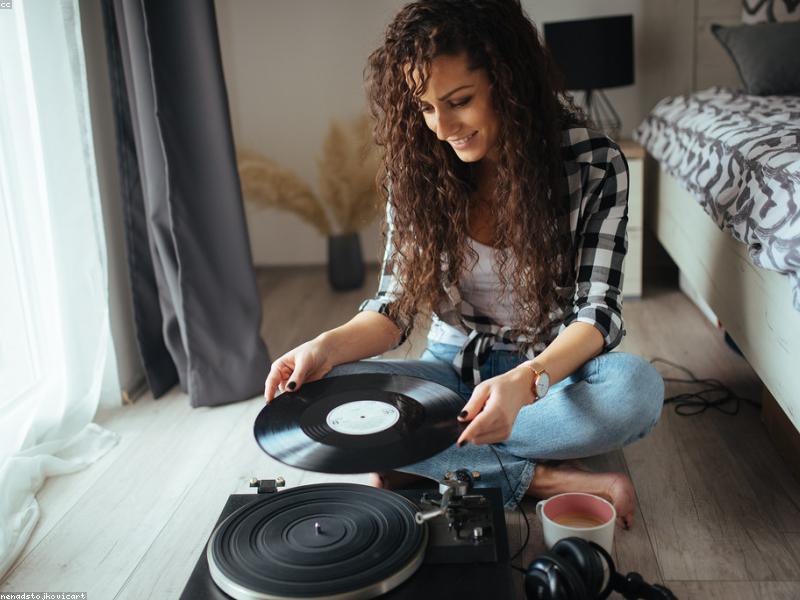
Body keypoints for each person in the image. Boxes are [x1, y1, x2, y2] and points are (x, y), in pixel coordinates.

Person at [264, 0, 664, 529]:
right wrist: (322, 347)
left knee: (635, 392)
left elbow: (598, 314)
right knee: (313, 398)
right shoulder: (419, 171)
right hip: (450, 371)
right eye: (426, 108)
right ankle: (540, 477)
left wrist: (525, 384)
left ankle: (425, 456)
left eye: (459, 101)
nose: (442, 126)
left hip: (550, 376)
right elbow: (393, 308)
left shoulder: (593, 163)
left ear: (508, 82)